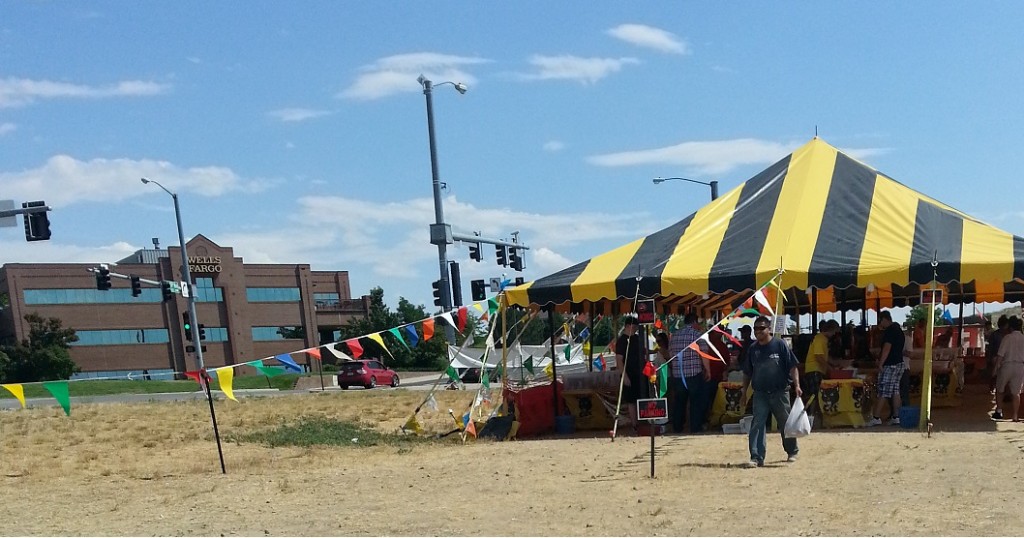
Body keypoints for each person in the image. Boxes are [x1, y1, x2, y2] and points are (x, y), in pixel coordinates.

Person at [740, 316, 801, 467]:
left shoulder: (779, 345)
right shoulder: (753, 349)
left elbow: (793, 366)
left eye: (761, 328)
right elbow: (747, 372)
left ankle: (792, 451)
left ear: (769, 329)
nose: (758, 331)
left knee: (785, 422)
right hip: (760, 393)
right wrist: (743, 393)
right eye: (756, 328)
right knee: (757, 424)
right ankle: (756, 457)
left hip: (780, 392)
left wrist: (797, 385)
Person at [668, 313, 711, 433]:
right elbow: (704, 355)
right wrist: (708, 371)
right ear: (695, 322)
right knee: (696, 402)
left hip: (678, 375)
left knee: (679, 403)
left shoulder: (674, 337)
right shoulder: (698, 336)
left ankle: (677, 428)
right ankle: (695, 428)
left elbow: (670, 355)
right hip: (694, 374)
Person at [868, 310, 905, 426]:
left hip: (890, 365)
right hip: (899, 363)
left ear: (884, 319)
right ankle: (896, 416)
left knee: (883, 391)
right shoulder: (899, 330)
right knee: (895, 390)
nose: (880, 324)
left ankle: (876, 417)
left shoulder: (890, 331)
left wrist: (880, 363)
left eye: (880, 321)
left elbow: (887, 348)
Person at [616, 316, 645, 432]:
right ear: (628, 326)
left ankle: (642, 421)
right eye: (634, 327)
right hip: (629, 374)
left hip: (641, 374)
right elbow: (619, 360)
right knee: (631, 401)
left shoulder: (637, 338)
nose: (636, 329)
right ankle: (635, 424)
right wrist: (624, 376)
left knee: (640, 398)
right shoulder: (622, 341)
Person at [992, 316, 1024, 421]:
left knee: (1000, 389)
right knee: (1016, 392)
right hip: (1020, 366)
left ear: (1010, 327)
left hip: (1007, 365)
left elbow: (1000, 355)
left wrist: (995, 369)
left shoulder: (1007, 338)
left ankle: (999, 411)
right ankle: (1015, 415)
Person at [804, 320, 834, 424]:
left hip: (816, 369)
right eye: (834, 332)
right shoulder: (820, 339)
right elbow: (818, 356)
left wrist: (835, 363)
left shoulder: (822, 339)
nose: (834, 335)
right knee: (815, 395)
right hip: (814, 370)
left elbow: (824, 356)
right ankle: (809, 417)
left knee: (817, 395)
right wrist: (829, 367)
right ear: (830, 330)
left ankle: (814, 418)